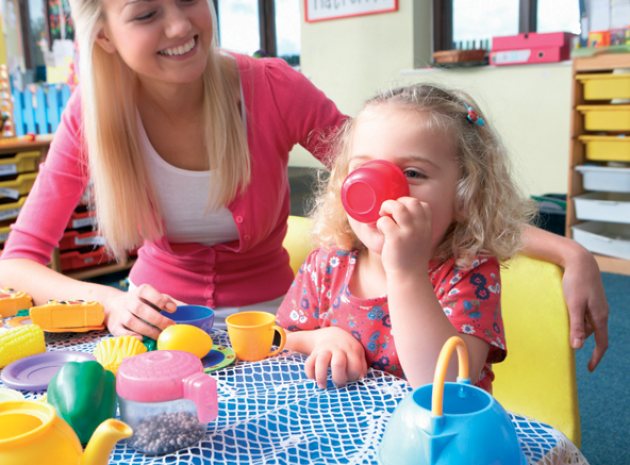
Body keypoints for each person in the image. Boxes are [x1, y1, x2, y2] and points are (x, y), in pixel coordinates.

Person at [0, 0, 608, 371]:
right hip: (160, 326)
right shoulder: (94, 114)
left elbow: (403, 178)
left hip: (283, 328)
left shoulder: (269, 87)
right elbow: (19, 259)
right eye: (145, 13)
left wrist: (566, 248)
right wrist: (111, 303)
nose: (181, 24)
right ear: (104, 33)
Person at [275, 83, 584, 391]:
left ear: (464, 196)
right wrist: (320, 337)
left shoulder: (467, 273)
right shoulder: (327, 265)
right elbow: (278, 341)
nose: (380, 189)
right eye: (364, 168)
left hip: (438, 436)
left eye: (412, 173)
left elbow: (444, 384)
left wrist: (406, 273)